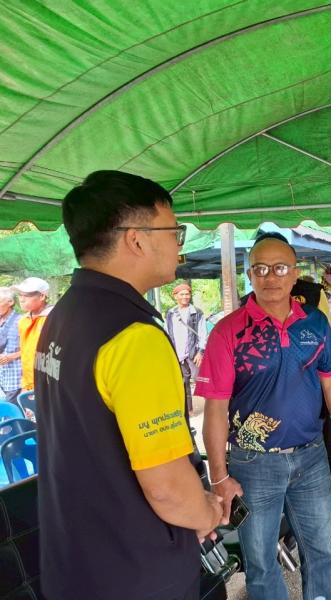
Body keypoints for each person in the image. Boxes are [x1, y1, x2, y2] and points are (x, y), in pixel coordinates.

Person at [35, 170, 223, 599]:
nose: (179, 246)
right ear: (136, 240)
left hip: (73, 563)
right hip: (135, 571)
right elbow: (167, 488)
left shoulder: (62, 316)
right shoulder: (134, 336)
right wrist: (207, 513)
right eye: (174, 232)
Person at [198, 235, 331, 600]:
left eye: (280, 268)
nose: (271, 277)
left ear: (295, 273)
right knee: (260, 563)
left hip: (311, 456)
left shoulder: (314, 323)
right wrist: (219, 476)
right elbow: (216, 408)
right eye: (260, 269)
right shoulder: (229, 331)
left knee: (323, 552)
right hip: (253, 464)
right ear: (249, 275)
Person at [164, 282, 207, 416]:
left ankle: (213, 408)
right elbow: (167, 332)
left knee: (203, 380)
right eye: (182, 294)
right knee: (183, 383)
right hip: (177, 354)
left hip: (194, 354)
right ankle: (189, 410)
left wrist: (201, 352)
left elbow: (203, 333)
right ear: (175, 296)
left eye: (187, 294)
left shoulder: (197, 313)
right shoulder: (170, 313)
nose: (185, 297)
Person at [13, 276, 52, 392]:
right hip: (28, 383)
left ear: (42, 296)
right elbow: (25, 353)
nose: (21, 299)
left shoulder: (53, 319)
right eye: (20, 295)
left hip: (48, 384)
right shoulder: (23, 321)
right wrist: (25, 384)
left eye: (26, 295)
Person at [0, 287, 22, 405]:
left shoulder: (22, 321)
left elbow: (35, 349)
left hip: (15, 379)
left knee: (12, 411)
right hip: (1, 379)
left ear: (10, 302)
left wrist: (11, 356)